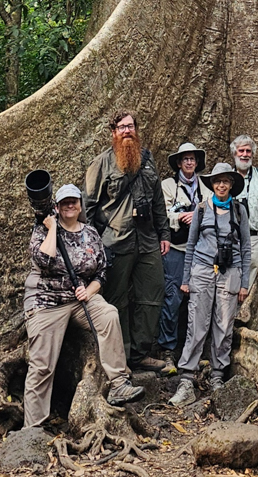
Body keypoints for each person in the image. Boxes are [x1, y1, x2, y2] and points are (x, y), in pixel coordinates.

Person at [23, 183, 144, 427]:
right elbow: (44, 260)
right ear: (56, 207)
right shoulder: (42, 231)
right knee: (43, 364)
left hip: (80, 300)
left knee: (109, 314)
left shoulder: (90, 233)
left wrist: (88, 291)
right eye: (64, 202)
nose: (70, 205)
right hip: (47, 302)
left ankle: (119, 383)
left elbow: (101, 272)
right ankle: (33, 427)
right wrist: (53, 228)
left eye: (73, 201)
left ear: (80, 205)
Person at [83, 110, 171, 373]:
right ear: (113, 133)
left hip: (147, 241)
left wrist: (164, 234)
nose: (127, 131)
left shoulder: (147, 159)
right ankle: (120, 358)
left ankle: (141, 353)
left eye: (130, 126)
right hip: (115, 242)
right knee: (116, 301)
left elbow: (158, 201)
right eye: (121, 127)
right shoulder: (101, 163)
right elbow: (88, 206)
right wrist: (92, 244)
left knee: (152, 294)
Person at [168, 162, 251, 406]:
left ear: (232, 184)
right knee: (197, 324)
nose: (221, 185)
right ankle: (186, 380)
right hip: (202, 270)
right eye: (217, 181)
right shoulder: (202, 209)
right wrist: (185, 280)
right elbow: (191, 246)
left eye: (226, 181)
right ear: (212, 185)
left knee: (224, 325)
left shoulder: (239, 211)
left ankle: (217, 376)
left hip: (230, 271)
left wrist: (244, 283)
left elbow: (245, 248)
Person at [157, 142, 211, 359]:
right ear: (179, 162)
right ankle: (168, 349)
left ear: (197, 163)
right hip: (176, 249)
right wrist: (179, 217)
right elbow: (162, 213)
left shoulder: (205, 186)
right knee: (173, 297)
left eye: (192, 159)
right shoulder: (168, 185)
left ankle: (196, 350)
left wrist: (197, 213)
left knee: (200, 299)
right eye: (185, 158)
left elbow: (214, 206)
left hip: (201, 250)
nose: (189, 162)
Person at [230, 134, 258, 289]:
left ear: (253, 154)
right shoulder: (226, 179)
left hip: (255, 239)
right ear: (234, 153)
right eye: (241, 150)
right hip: (232, 238)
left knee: (249, 281)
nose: (244, 154)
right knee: (230, 277)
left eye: (248, 151)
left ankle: (243, 313)